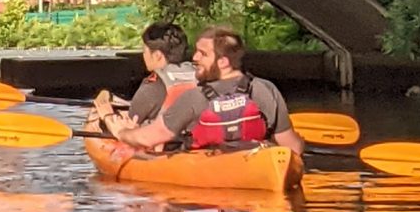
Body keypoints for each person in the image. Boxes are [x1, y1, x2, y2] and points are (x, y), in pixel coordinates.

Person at [97, 27, 304, 162]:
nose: (194, 58)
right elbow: (292, 147)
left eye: (202, 54)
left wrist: (121, 133)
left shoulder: (194, 98)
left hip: (205, 169)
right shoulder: (265, 90)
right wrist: (300, 142)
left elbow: (150, 137)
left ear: (223, 62)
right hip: (254, 163)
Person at [95, 22, 195, 131]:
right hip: (193, 139)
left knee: (96, 118)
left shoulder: (152, 87)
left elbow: (131, 121)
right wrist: (110, 96)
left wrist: (106, 115)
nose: (143, 55)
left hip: (165, 143)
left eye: (144, 51)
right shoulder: (201, 76)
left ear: (157, 55)